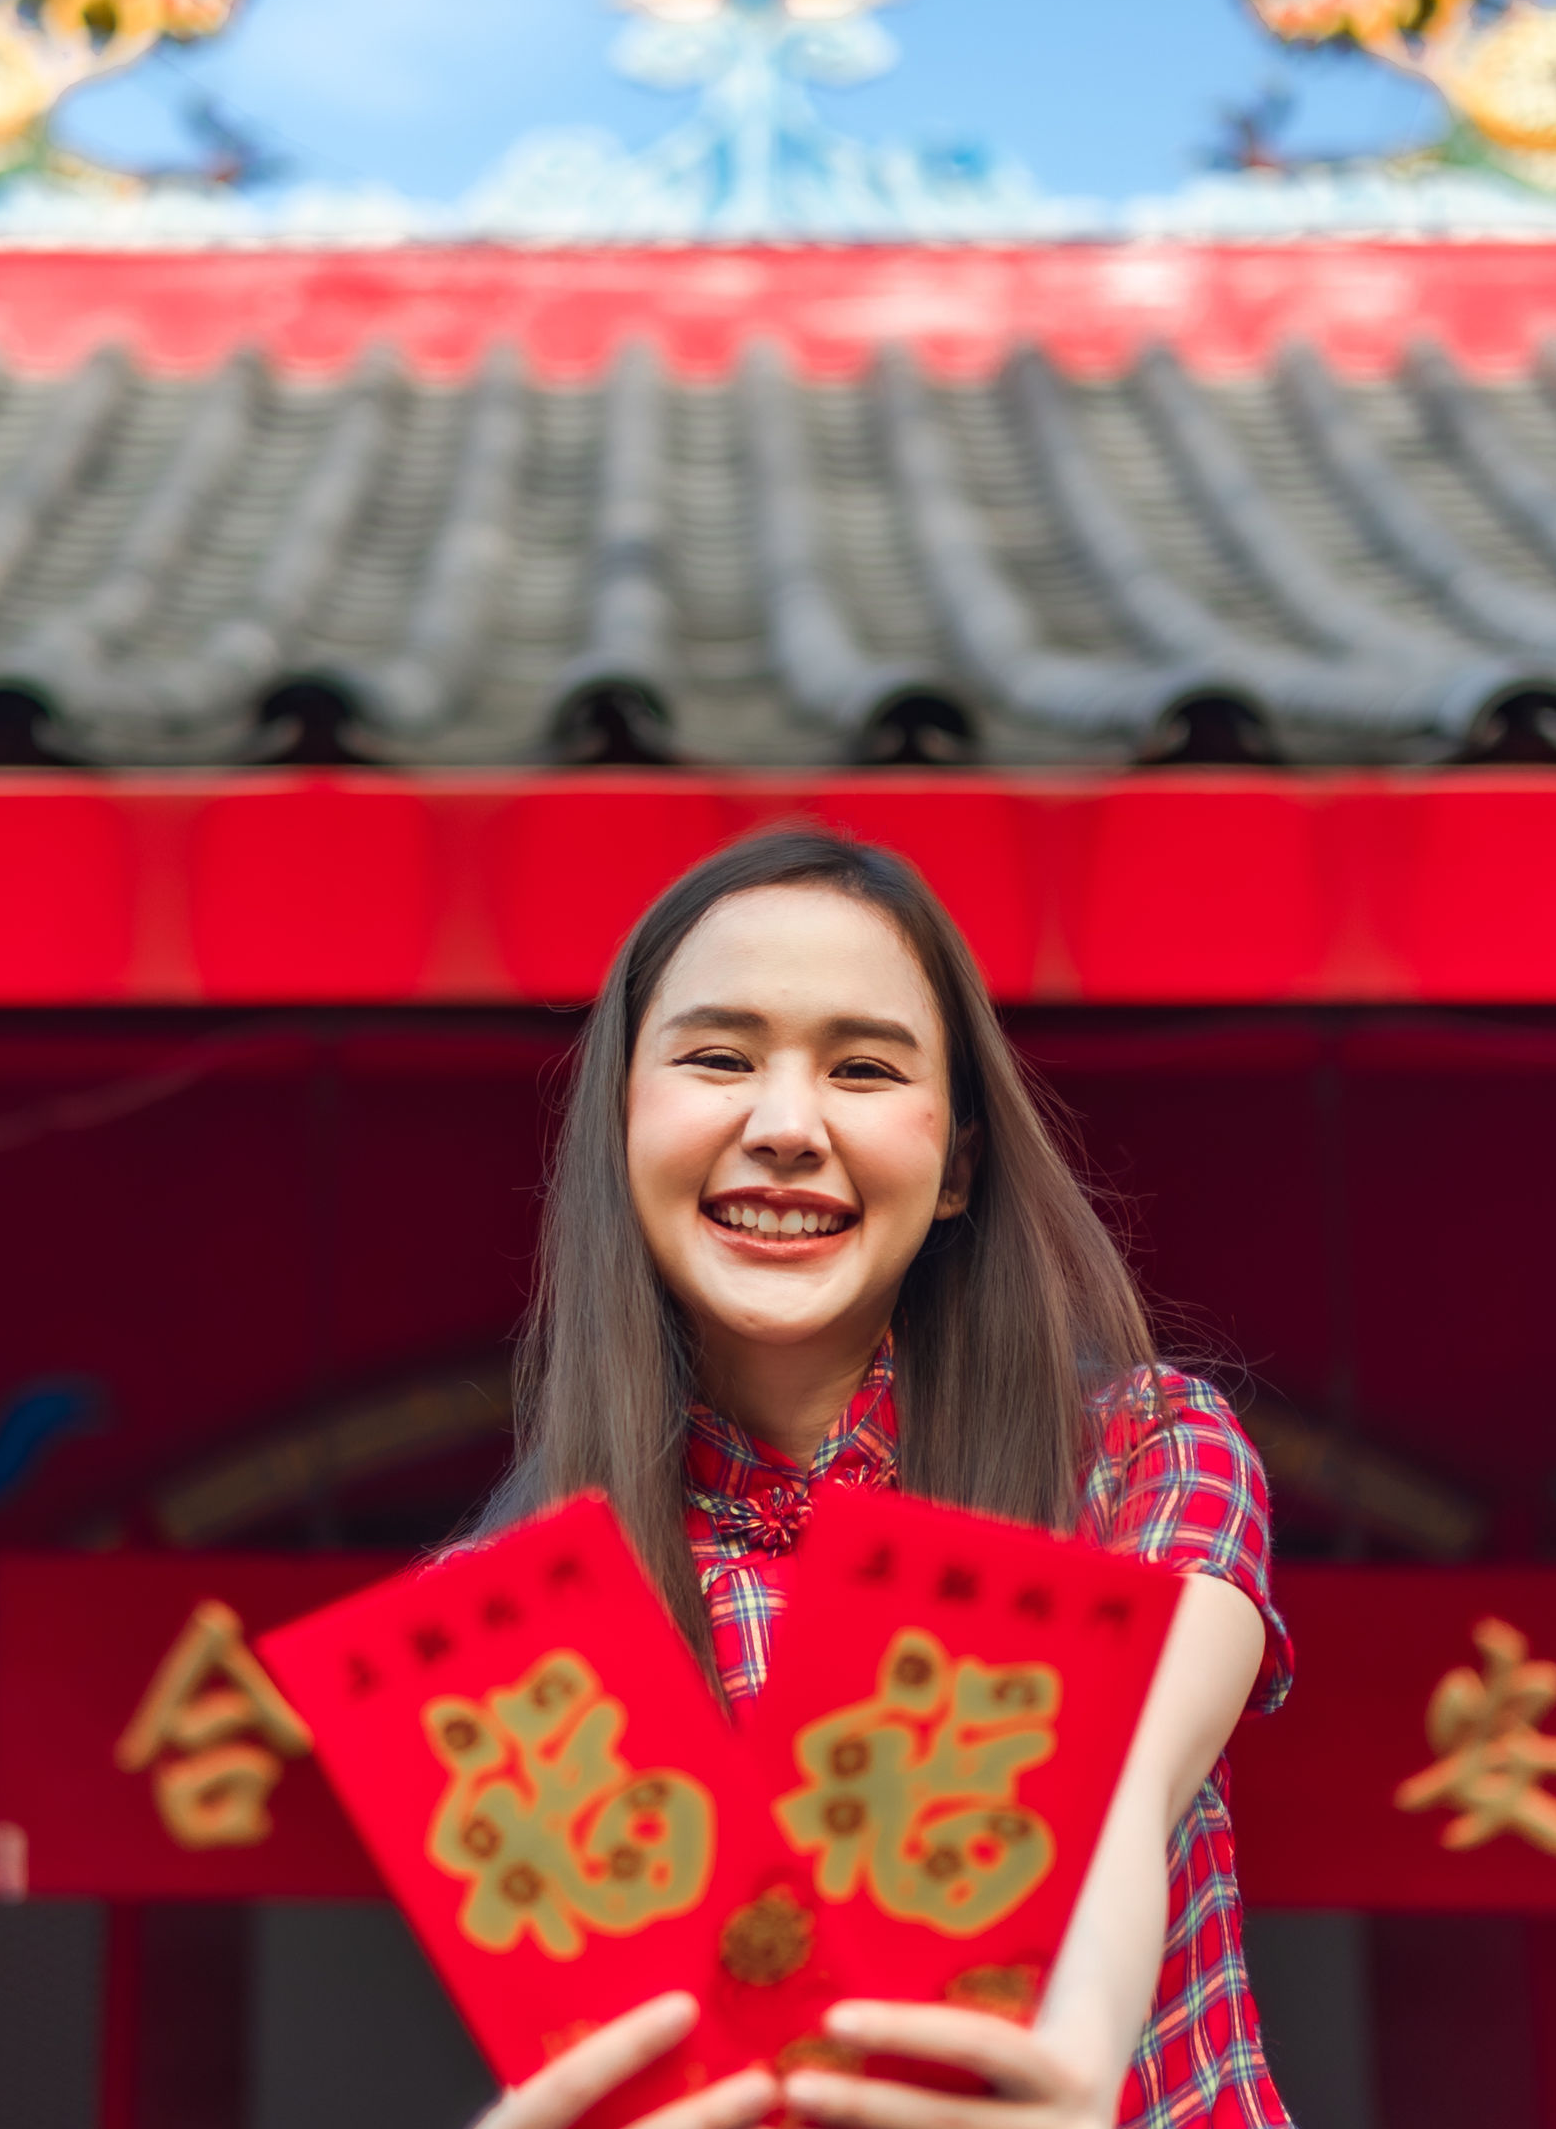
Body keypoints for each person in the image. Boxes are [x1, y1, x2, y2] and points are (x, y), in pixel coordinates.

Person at [461, 828, 1296, 2129]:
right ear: (622, 1123)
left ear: (958, 1162)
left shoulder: (1139, 1456)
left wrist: (1068, 2067)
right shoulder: (509, 1613)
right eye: (719, 1058)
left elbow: (1125, 1771)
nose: (786, 1128)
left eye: (861, 1068)